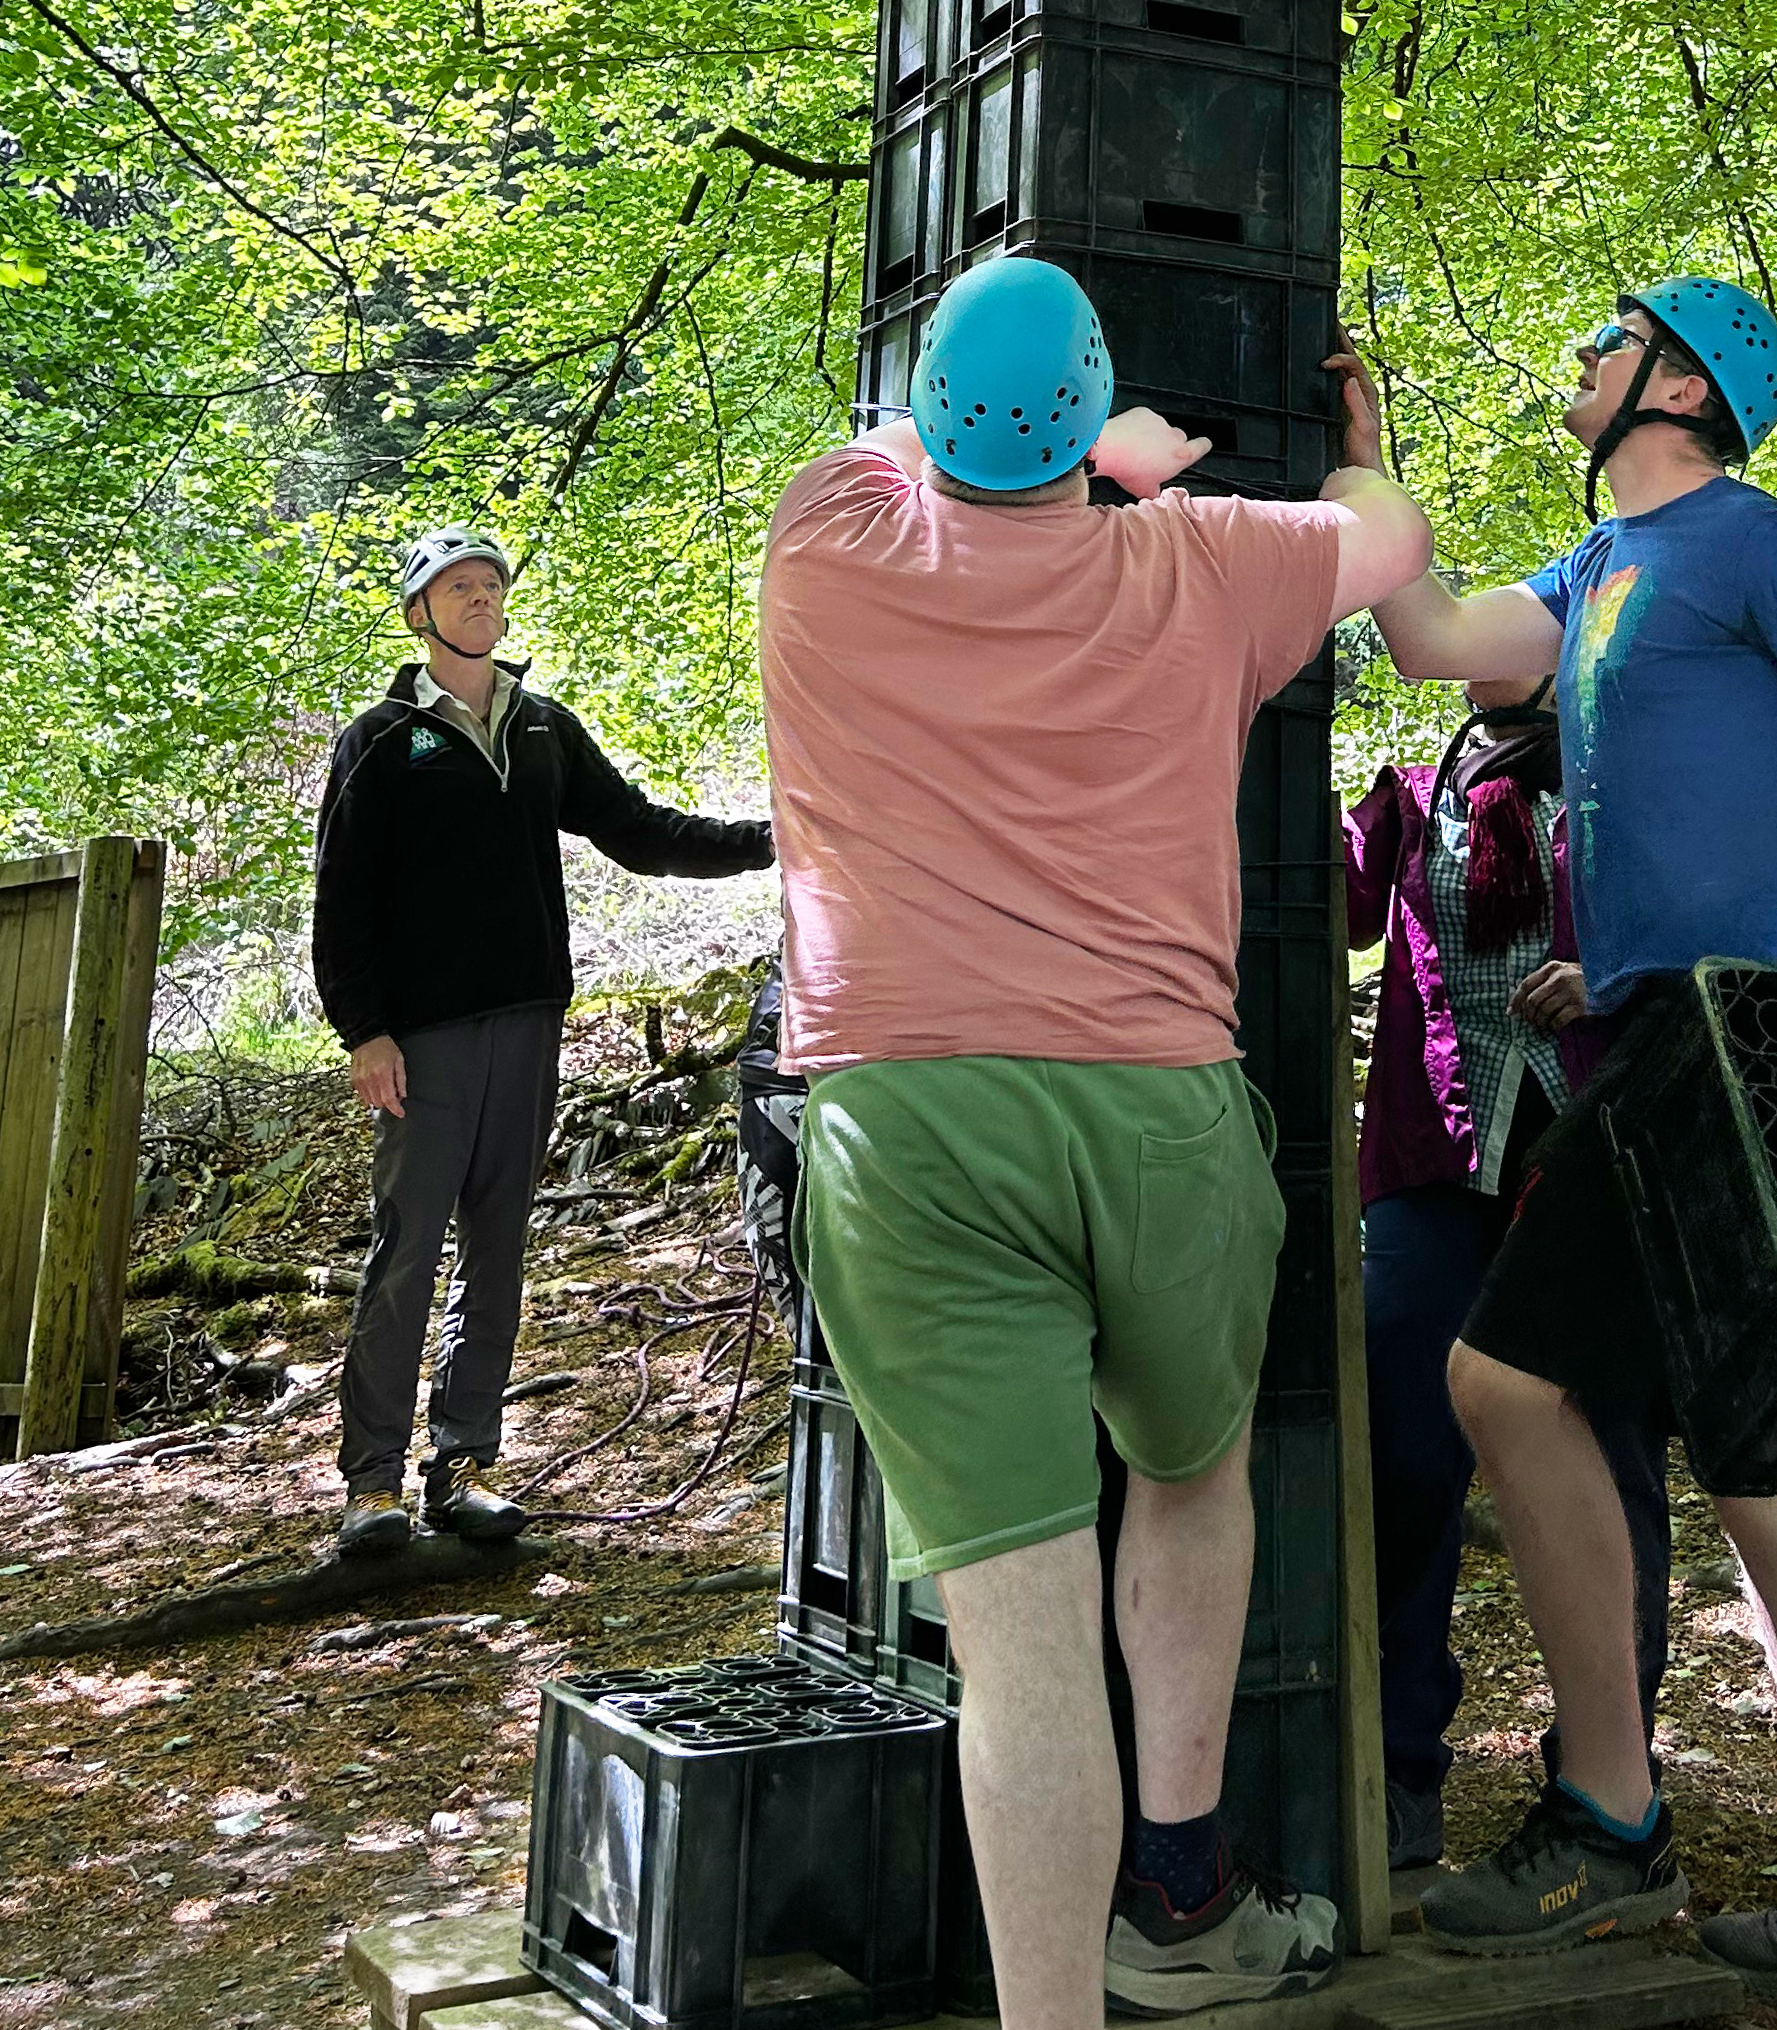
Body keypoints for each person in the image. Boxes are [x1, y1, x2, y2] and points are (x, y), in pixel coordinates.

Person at [761, 260, 1430, 2030]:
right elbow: (1389, 539)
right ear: (1094, 405)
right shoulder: (1208, 567)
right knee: (1192, 1472)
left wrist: (1098, 460)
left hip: (904, 1124)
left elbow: (907, 456)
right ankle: (1185, 1886)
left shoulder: (824, 536)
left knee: (1021, 1643)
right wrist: (1302, 456)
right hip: (1156, 1109)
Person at [1355, 283, 1777, 2027]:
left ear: (1679, 387)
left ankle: (1614, 1812)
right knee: (1758, 1465)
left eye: (1602, 346)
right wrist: (1370, 475)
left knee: (1507, 1382)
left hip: (1730, 1044)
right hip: (1648, 1033)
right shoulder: (1598, 570)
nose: (1578, 367)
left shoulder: (1760, 545)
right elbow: (1432, 640)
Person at [313, 527, 775, 1554]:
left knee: (499, 1245)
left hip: (527, 1022)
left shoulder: (542, 730)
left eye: (490, 585)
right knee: (407, 1251)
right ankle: (372, 1484)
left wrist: (769, 838)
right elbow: (340, 899)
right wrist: (365, 1031)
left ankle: (465, 1462)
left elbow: (640, 831)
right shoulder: (383, 740)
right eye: (457, 587)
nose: (479, 599)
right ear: (417, 612)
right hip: (421, 1042)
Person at [1344, 681, 1671, 1881]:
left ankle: (1609, 1767)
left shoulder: (1624, 782)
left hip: (1590, 1151)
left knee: (1612, 1446)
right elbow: (1326, 899)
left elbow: (1709, 917)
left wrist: (1610, 971)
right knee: (1402, 1445)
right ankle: (1396, 1759)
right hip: (1438, 1157)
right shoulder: (1412, 796)